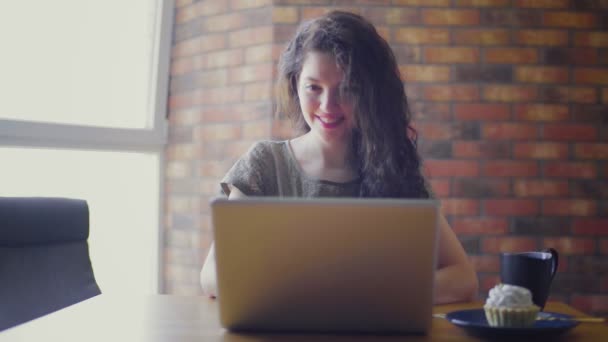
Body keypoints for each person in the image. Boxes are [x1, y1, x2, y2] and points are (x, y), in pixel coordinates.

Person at [200, 10, 478, 304]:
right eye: (313, 88)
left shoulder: (395, 169)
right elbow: (211, 275)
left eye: (346, 88)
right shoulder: (265, 164)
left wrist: (372, 296)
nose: (327, 106)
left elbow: (462, 277)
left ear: (370, 93)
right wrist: (298, 291)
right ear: (296, 84)